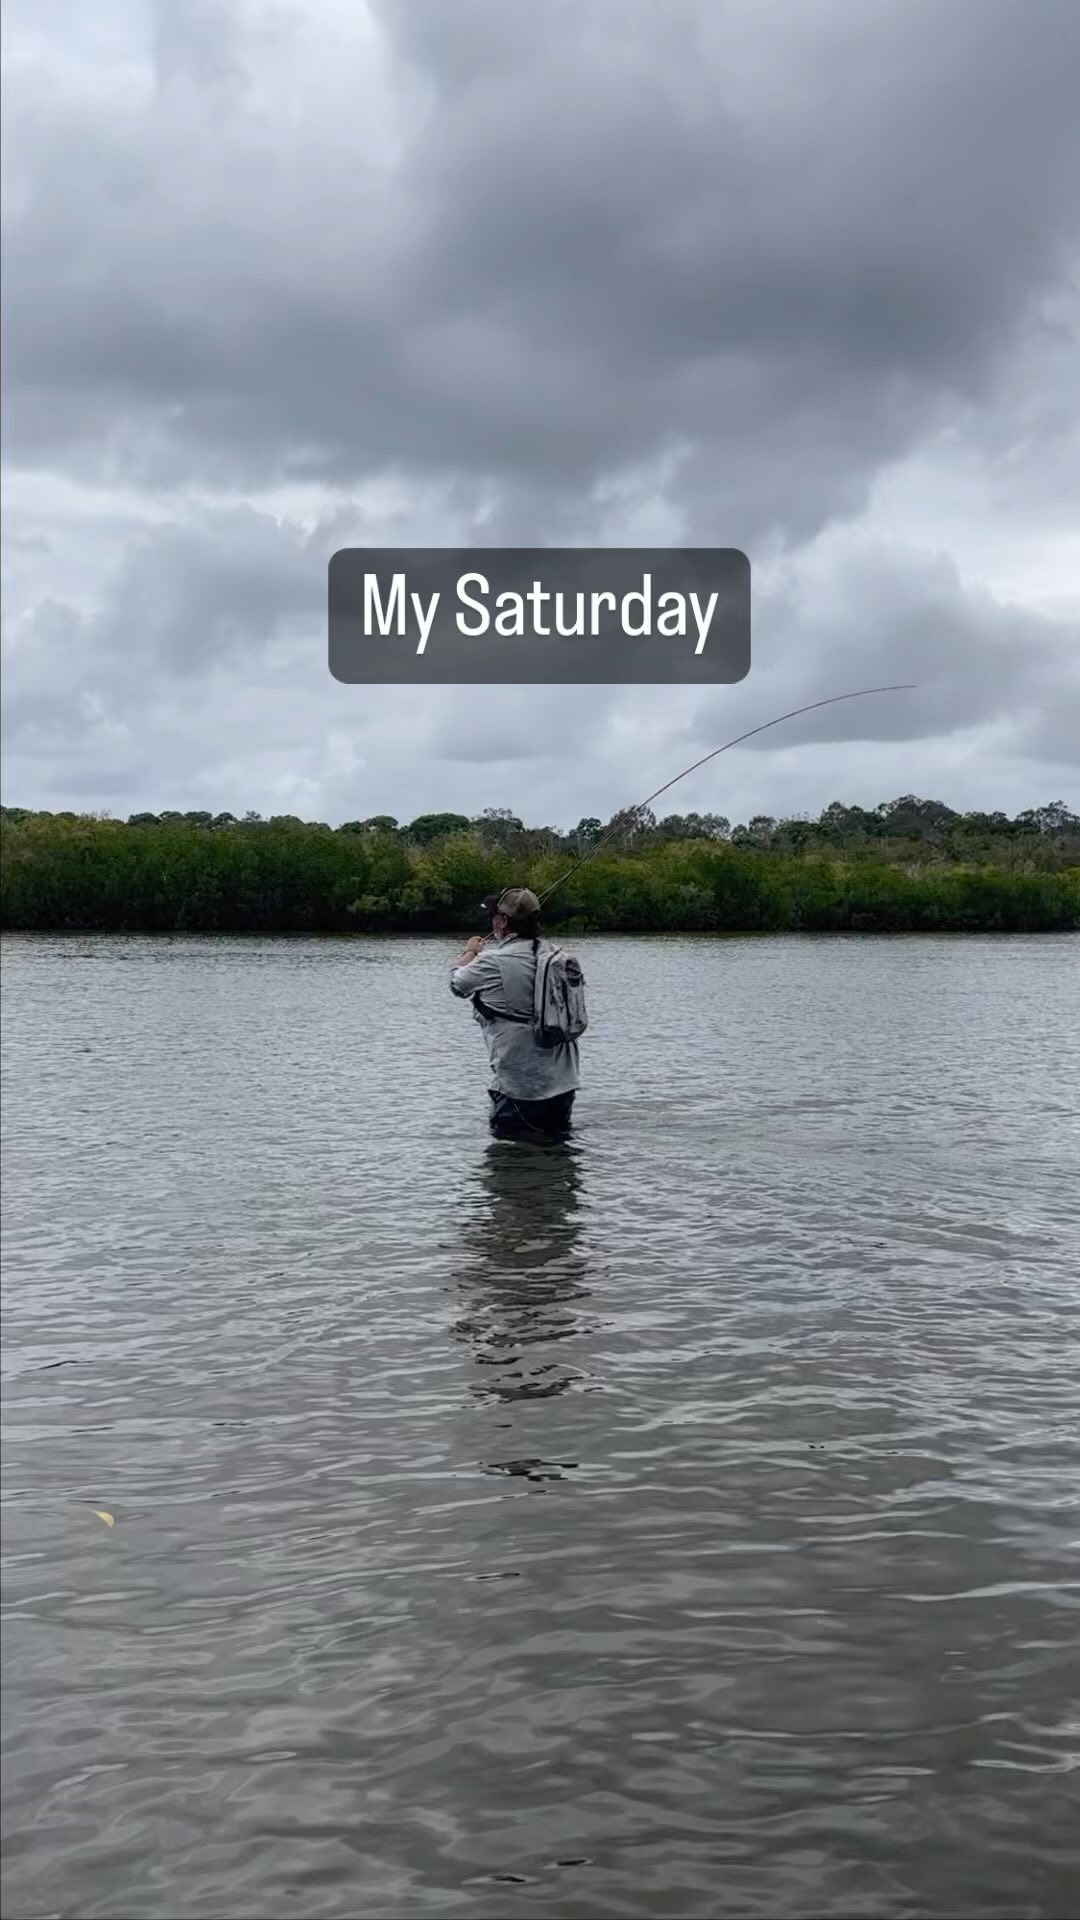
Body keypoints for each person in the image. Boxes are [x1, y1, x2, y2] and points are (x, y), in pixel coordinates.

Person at [449, 886, 580, 1139]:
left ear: (504, 920)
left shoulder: (491, 962)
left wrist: (470, 951)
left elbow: (456, 984)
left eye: (493, 917)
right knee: (557, 1158)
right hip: (565, 1085)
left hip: (519, 1089)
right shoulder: (559, 955)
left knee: (508, 1164)